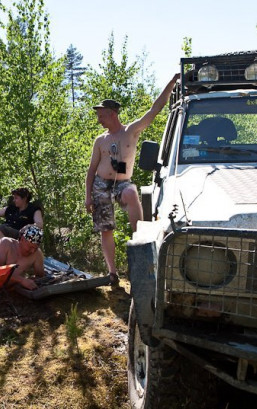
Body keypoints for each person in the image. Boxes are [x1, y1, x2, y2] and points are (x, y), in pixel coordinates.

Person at [85, 74, 180, 285]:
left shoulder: (130, 131)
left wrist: (171, 83)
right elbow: (91, 170)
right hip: (101, 184)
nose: (98, 119)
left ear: (111, 114)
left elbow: (155, 109)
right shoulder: (100, 140)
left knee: (130, 192)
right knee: (106, 228)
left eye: (101, 115)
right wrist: (87, 197)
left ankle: (141, 245)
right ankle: (112, 273)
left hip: (122, 182)